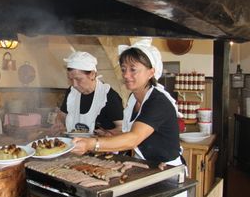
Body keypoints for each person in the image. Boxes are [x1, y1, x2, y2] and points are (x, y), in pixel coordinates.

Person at [72, 38, 184, 166]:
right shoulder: (133, 99)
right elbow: (132, 132)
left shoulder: (158, 102)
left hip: (167, 170)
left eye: (133, 69)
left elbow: (134, 138)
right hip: (145, 165)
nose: (125, 75)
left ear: (151, 72)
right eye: (124, 69)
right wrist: (109, 134)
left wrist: (91, 144)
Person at [52, 51, 124, 136]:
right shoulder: (71, 92)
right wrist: (59, 122)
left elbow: (122, 129)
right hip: (75, 145)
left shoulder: (109, 96)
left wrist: (107, 134)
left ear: (92, 74)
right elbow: (62, 115)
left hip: (101, 147)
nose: (74, 85)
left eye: (78, 79)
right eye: (71, 79)